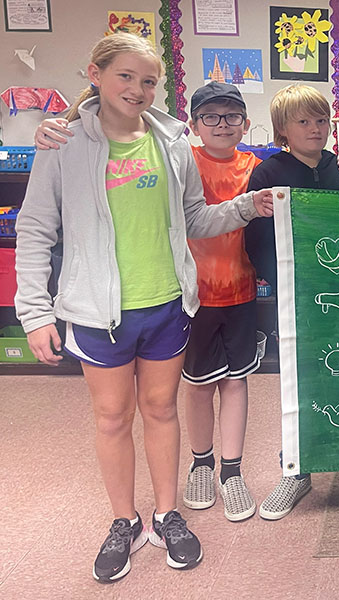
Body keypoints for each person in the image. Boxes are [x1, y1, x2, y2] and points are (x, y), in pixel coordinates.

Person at [13, 33, 273, 583]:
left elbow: (195, 219)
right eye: (125, 76)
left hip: (166, 306)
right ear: (96, 72)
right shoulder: (62, 143)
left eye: (148, 80)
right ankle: (123, 521)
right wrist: (34, 311)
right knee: (112, 419)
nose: (137, 88)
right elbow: (35, 228)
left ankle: (166, 513)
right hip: (96, 311)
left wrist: (246, 206)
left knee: (161, 412)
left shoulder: (172, 140)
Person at [243, 84, 339, 520]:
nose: (315, 129)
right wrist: (282, 283)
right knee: (299, 379)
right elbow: (256, 239)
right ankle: (295, 469)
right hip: (296, 296)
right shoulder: (266, 174)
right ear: (282, 130)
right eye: (304, 122)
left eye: (321, 121)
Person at [177, 82, 262, 523]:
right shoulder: (183, 162)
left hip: (243, 291)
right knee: (197, 382)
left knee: (236, 380)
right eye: (211, 116)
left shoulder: (256, 165)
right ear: (193, 125)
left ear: (246, 123)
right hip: (195, 295)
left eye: (232, 116)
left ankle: (232, 471)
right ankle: (201, 463)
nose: (223, 124)